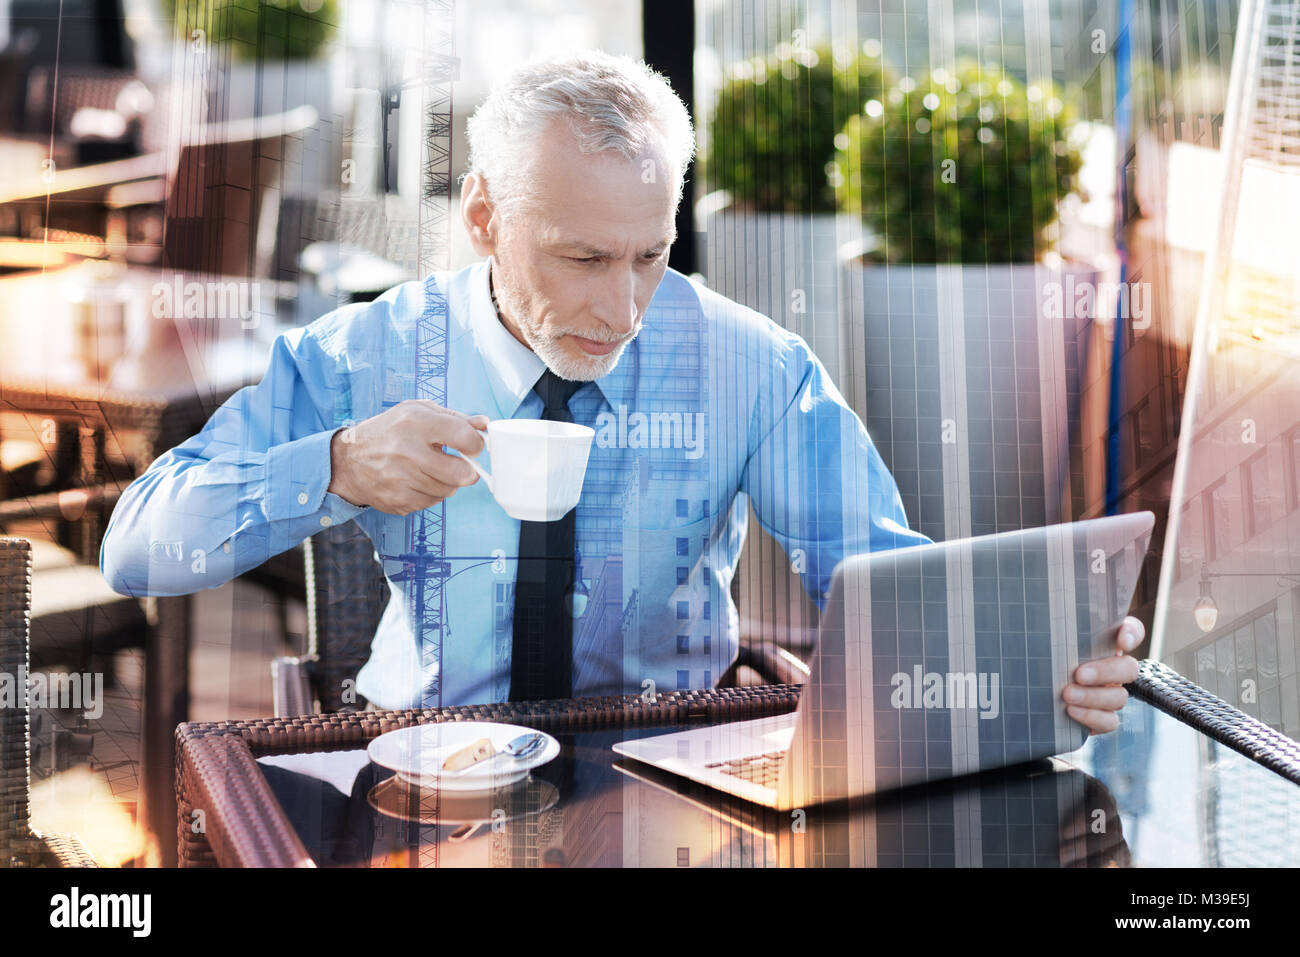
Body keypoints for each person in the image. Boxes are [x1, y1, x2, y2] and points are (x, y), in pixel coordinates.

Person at [101, 49, 1142, 728]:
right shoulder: (365, 354)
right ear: (481, 220)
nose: (625, 308)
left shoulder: (750, 366)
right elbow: (138, 547)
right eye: (581, 259)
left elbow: (879, 582)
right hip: (423, 762)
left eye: (649, 255)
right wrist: (331, 467)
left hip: (674, 760)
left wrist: (1033, 672)